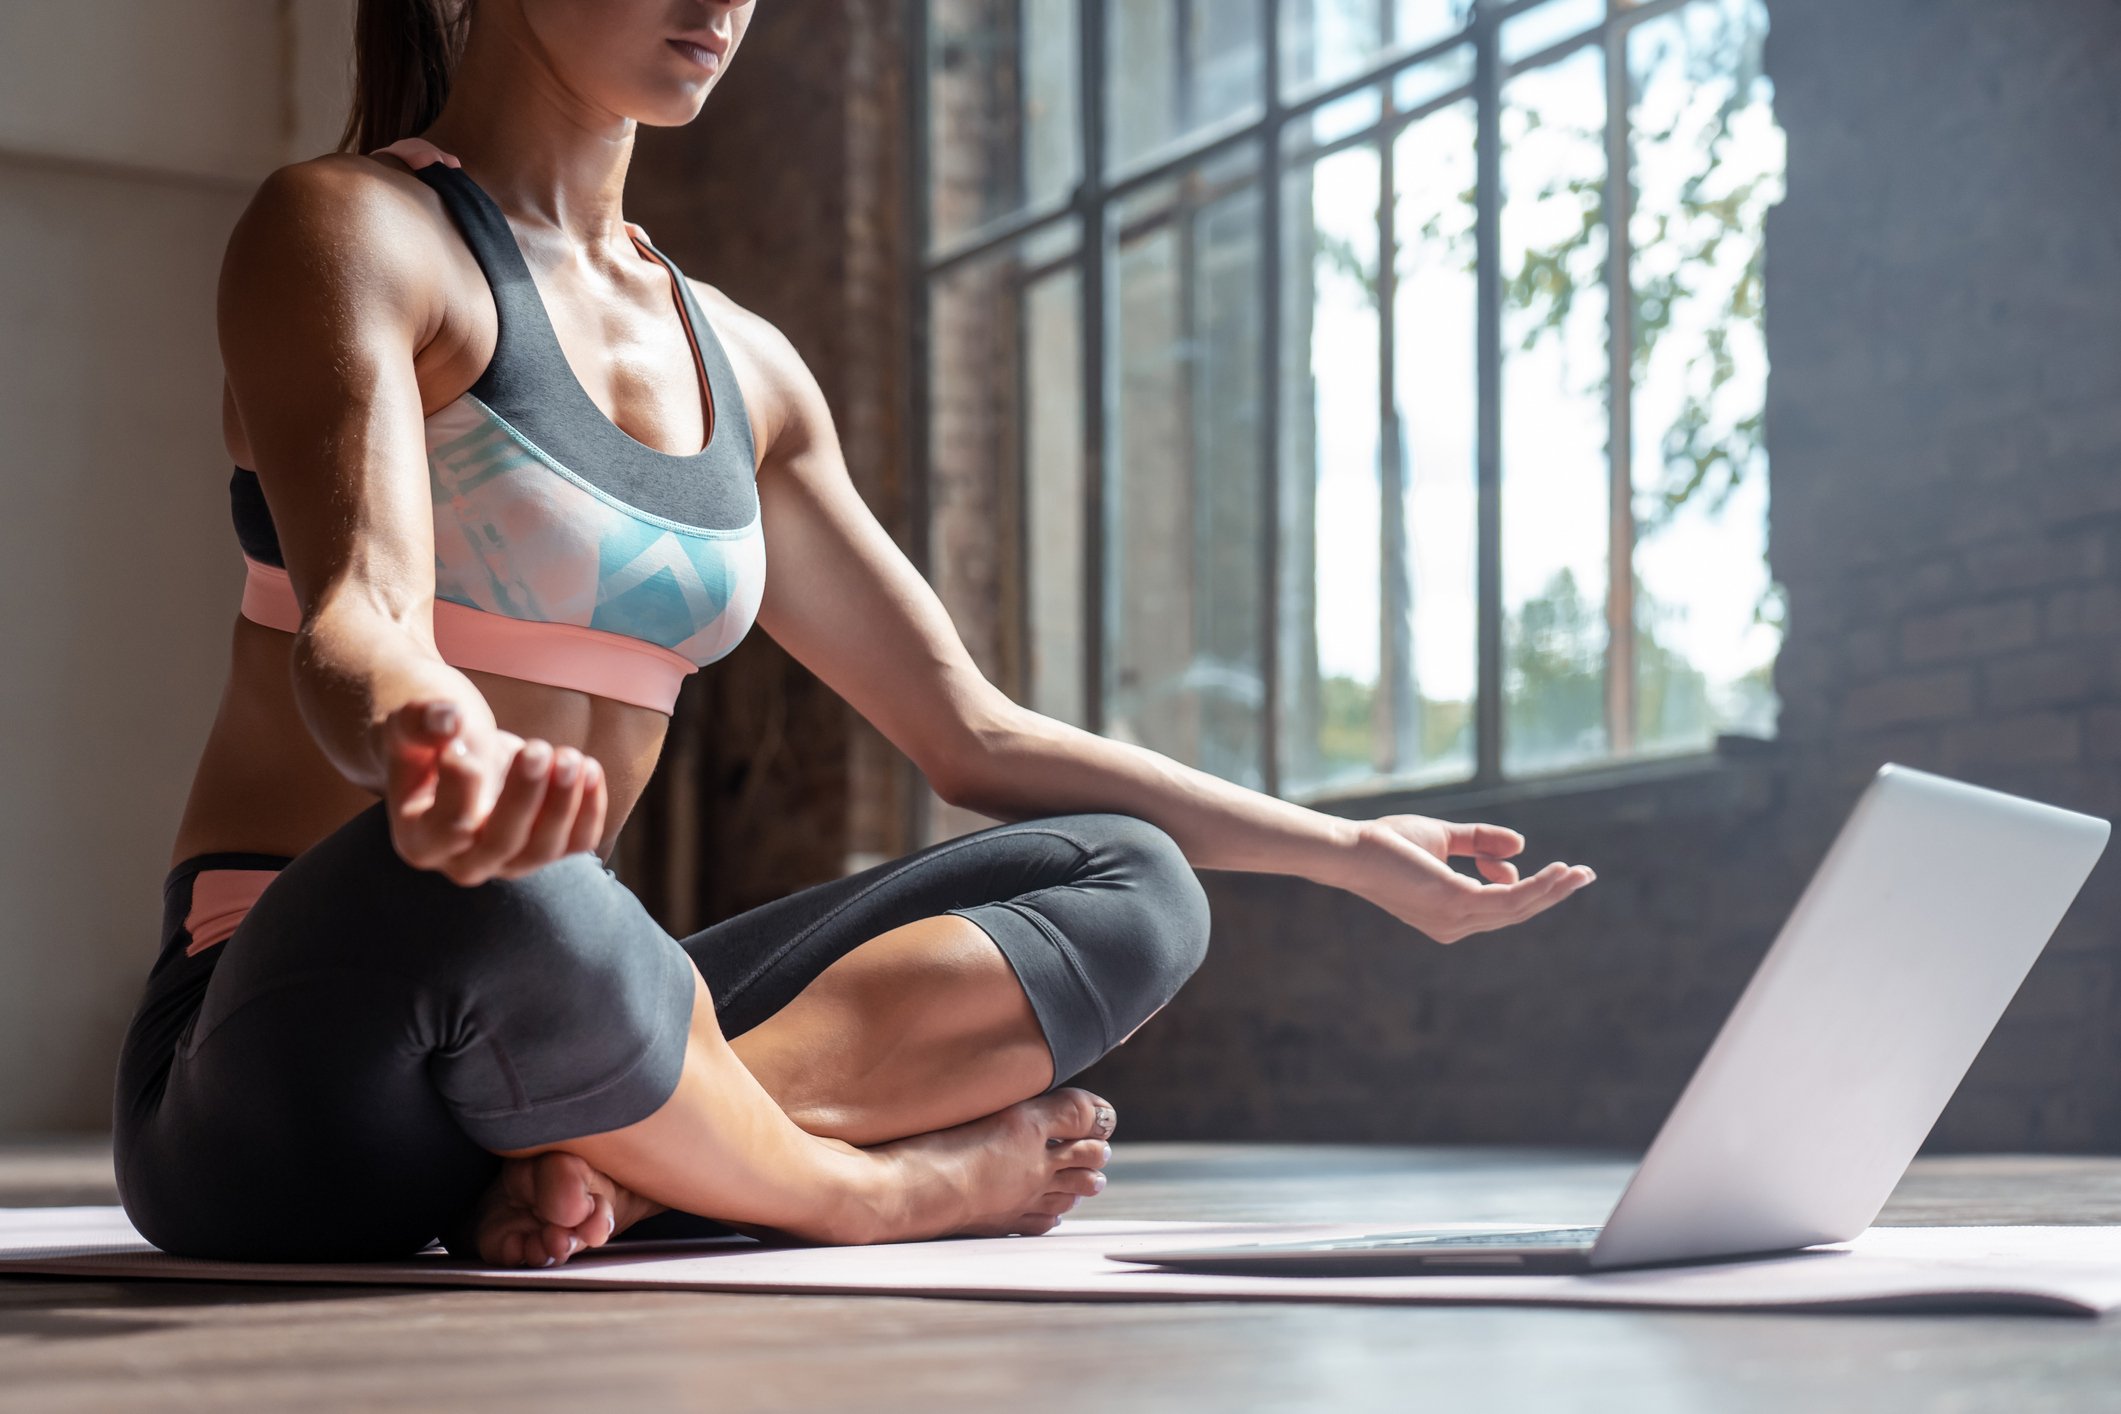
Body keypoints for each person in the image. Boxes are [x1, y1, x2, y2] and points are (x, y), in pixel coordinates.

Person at [112, 0, 1597, 1269]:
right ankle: (863, 1192)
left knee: (1129, 878)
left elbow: (971, 733)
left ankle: (627, 1170)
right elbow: (361, 617)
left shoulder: (744, 366)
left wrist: (1345, 853)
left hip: (570, 1042)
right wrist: (430, 744)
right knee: (511, 890)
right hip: (301, 1064)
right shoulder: (353, 227)